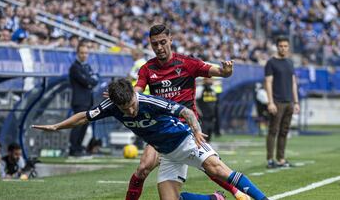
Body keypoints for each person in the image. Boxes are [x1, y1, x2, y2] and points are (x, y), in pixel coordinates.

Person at [32, 79, 269, 200]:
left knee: (217, 169)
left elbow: (185, 112)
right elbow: (84, 116)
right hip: (167, 154)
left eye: (133, 105)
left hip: (186, 141)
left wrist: (196, 130)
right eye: (126, 108)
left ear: (136, 96)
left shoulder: (149, 101)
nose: (131, 111)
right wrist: (56, 125)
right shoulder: (112, 106)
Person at [128, 24, 249, 200]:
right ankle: (215, 199)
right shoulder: (147, 68)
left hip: (188, 128)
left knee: (209, 166)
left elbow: (218, 71)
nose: (159, 47)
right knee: (143, 168)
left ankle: (237, 192)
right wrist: (124, 96)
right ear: (150, 44)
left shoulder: (187, 63)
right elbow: (137, 90)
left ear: (171, 40)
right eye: (155, 44)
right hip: (161, 129)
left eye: (163, 42)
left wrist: (226, 71)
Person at [264, 36, 300, 168]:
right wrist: (270, 102)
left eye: (285, 46)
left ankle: (281, 159)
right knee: (273, 130)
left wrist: (296, 102)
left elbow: (293, 83)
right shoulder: (271, 63)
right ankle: (270, 160)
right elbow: (268, 82)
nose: (283, 48)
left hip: (289, 102)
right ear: (277, 46)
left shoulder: (290, 62)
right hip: (277, 102)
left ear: (288, 47)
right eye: (281, 46)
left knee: (284, 131)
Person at [68, 40, 99, 156]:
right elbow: (87, 81)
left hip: (87, 100)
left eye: (86, 53)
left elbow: (94, 80)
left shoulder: (87, 66)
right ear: (77, 53)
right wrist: (91, 80)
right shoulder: (74, 68)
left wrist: (91, 81)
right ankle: (73, 148)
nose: (84, 55)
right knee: (78, 125)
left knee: (85, 125)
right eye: (82, 53)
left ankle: (79, 147)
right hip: (79, 101)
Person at [196, 77, 219, 142]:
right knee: (203, 137)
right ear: (204, 80)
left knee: (209, 137)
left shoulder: (213, 89)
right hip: (203, 118)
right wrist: (199, 113)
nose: (210, 80)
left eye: (211, 79)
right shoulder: (199, 89)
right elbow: (195, 102)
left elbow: (214, 104)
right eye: (208, 79)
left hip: (211, 118)